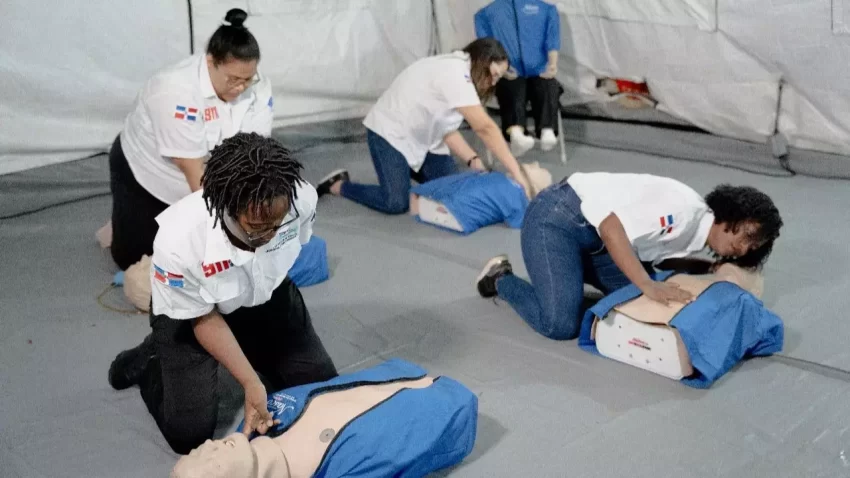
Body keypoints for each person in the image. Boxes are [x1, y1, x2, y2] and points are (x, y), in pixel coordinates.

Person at [107, 133, 337, 454]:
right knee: (188, 436)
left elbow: (291, 241)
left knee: (322, 391)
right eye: (256, 227)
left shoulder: (302, 200)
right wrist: (250, 381)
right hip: (193, 315)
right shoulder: (179, 240)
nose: (270, 235)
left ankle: (261, 351)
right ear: (226, 207)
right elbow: (204, 319)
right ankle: (151, 359)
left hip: (265, 296)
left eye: (277, 223)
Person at [475, 172, 783, 340]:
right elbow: (611, 228)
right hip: (558, 218)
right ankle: (500, 278)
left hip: (596, 239)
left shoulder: (698, 233)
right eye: (747, 237)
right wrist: (648, 284)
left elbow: (659, 255)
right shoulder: (682, 211)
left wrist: (709, 268)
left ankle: (567, 274)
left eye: (753, 248)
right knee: (560, 325)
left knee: (632, 303)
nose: (744, 250)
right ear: (731, 217)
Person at [107, 8, 274, 270]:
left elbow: (256, 153)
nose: (241, 87)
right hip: (150, 173)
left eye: (247, 80)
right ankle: (119, 225)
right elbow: (194, 172)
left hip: (210, 175)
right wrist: (231, 230)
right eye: (233, 79)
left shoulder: (259, 86)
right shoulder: (175, 91)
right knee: (136, 259)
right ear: (210, 62)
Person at [315, 38, 533, 215]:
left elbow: (447, 129)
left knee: (452, 192)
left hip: (424, 140)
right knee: (395, 203)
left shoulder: (463, 76)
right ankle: (339, 185)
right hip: (390, 135)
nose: (494, 83)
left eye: (499, 78)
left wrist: (472, 159)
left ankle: (406, 173)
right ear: (481, 61)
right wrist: (517, 172)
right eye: (493, 75)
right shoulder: (455, 73)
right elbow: (485, 128)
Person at [169, 359, 478, 478]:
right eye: (207, 465)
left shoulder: (264, 415)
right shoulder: (346, 470)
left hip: (403, 372)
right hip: (452, 406)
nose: (210, 445)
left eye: (199, 450)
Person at [474, 0, 562, 156]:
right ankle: (516, 133)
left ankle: (547, 129)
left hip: (538, 71)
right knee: (512, 86)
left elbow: (552, 40)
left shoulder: (545, 9)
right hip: (508, 71)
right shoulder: (487, 13)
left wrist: (552, 65)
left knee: (548, 84)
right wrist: (500, 71)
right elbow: (486, 47)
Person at [409, 161, 552, 234]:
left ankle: (420, 197)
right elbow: (518, 223)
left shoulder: (497, 177)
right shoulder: (518, 199)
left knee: (470, 179)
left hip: (443, 197)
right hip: (459, 216)